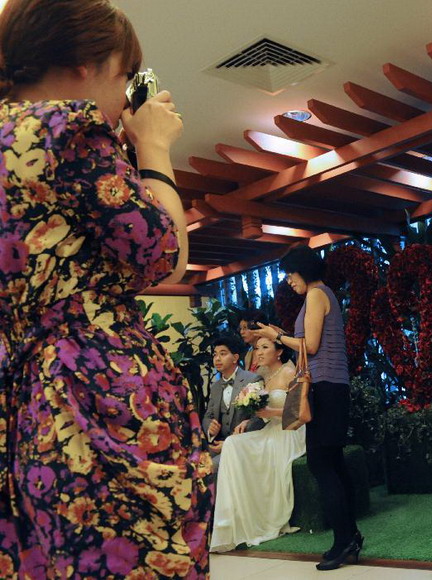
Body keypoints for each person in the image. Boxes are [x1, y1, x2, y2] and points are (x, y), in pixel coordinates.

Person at [0, 0, 212, 576]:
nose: (123, 95)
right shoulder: (66, 128)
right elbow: (163, 255)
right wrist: (153, 148)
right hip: (93, 384)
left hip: (19, 393)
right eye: (124, 75)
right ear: (86, 63)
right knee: (133, 548)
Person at [255, 245, 361, 571]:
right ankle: (350, 537)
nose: (288, 281)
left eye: (290, 274)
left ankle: (344, 541)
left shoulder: (316, 295)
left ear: (303, 269)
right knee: (332, 462)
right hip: (332, 386)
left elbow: (310, 346)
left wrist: (278, 335)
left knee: (320, 462)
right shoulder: (318, 294)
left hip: (326, 387)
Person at [210, 337, 304, 552]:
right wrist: (248, 419)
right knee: (233, 444)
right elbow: (262, 414)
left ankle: (263, 518)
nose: (258, 353)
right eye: (256, 348)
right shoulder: (262, 377)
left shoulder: (290, 372)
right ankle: (233, 522)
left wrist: (270, 413)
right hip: (270, 429)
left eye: (264, 348)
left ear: (279, 351)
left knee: (243, 447)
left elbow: (298, 411)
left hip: (290, 431)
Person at [202, 335, 262, 472]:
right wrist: (210, 429)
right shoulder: (216, 387)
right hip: (218, 444)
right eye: (215, 354)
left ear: (235, 358)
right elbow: (207, 416)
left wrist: (230, 443)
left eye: (222, 354)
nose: (217, 358)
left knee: (208, 468)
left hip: (243, 443)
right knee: (194, 465)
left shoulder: (252, 380)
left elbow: (259, 418)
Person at [238, 307, 269, 372]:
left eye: (245, 328)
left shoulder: (269, 351)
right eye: (240, 328)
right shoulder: (249, 353)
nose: (241, 332)